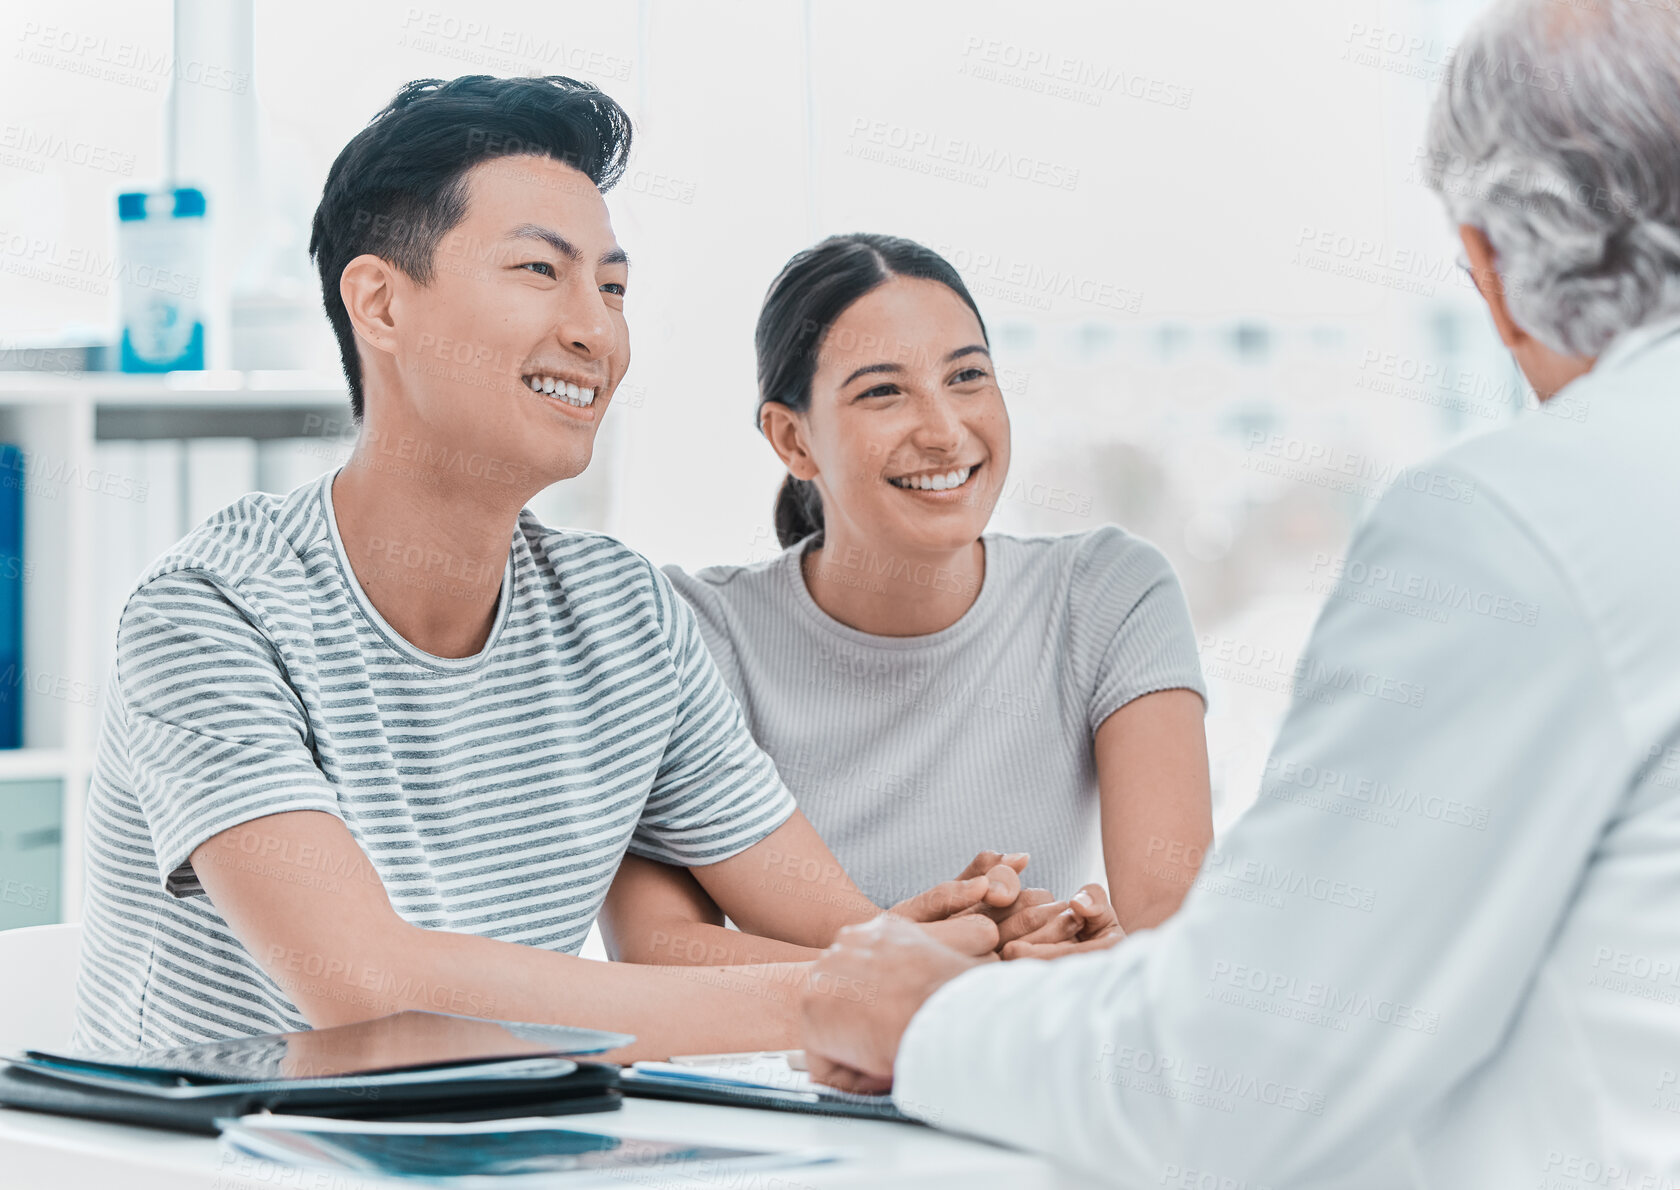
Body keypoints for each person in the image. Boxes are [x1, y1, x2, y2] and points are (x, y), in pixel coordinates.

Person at [798, 0, 1680, 1184]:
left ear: (1491, 269)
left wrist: (924, 1014)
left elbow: (1233, 1074)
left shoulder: (1518, 523)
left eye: (968, 374)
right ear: (787, 438)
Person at [69, 74, 1031, 1061]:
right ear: (380, 303)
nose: (596, 330)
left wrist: (995, 955)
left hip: (493, 1149)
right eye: (540, 270)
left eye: (612, 288)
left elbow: (836, 932)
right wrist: (844, 996)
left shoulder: (625, 617)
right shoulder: (208, 614)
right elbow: (365, 986)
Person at [602, 234, 1212, 968]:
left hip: (1018, 1060)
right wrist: (942, 970)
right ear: (793, 440)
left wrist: (1057, 967)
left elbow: (1177, 944)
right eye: (884, 391)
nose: (945, 431)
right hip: (781, 1071)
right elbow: (656, 953)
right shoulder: (694, 629)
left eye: (967, 377)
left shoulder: (1109, 592)